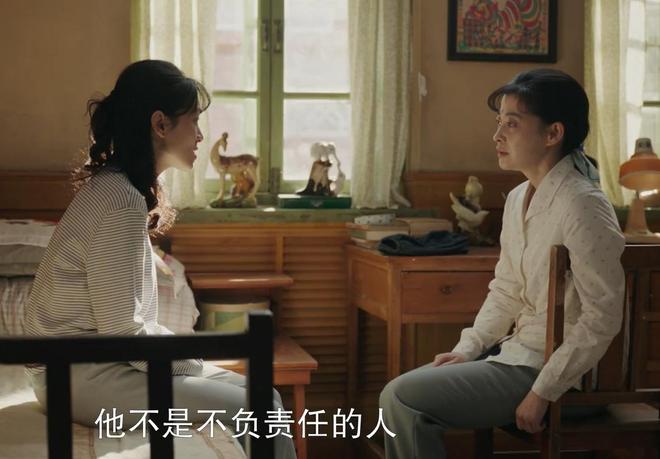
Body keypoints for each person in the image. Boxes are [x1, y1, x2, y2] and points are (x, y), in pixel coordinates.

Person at [24, 59, 297, 458]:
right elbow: (125, 333)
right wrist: (190, 360)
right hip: (76, 375)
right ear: (160, 124)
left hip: (94, 367)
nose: (200, 136)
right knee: (259, 409)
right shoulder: (118, 200)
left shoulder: (120, 189)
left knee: (266, 396)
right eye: (194, 121)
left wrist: (189, 360)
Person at [379, 68, 625, 459]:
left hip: (564, 375)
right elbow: (506, 289)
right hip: (517, 356)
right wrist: (468, 348)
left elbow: (603, 316)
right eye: (499, 122)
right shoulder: (517, 198)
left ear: (553, 133)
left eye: (511, 124)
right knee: (398, 396)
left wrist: (543, 391)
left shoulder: (583, 204)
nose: (497, 136)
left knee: (401, 398)